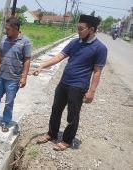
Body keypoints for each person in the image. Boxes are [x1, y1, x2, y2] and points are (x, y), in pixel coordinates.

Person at [33, 14, 108, 151]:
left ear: (91, 30)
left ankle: (67, 140)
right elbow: (59, 56)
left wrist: (92, 91)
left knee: (72, 114)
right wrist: (42, 66)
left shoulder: (100, 48)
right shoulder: (75, 43)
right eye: (77, 28)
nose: (78, 31)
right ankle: (51, 133)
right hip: (64, 83)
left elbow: (97, 71)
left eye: (81, 28)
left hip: (78, 86)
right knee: (56, 109)